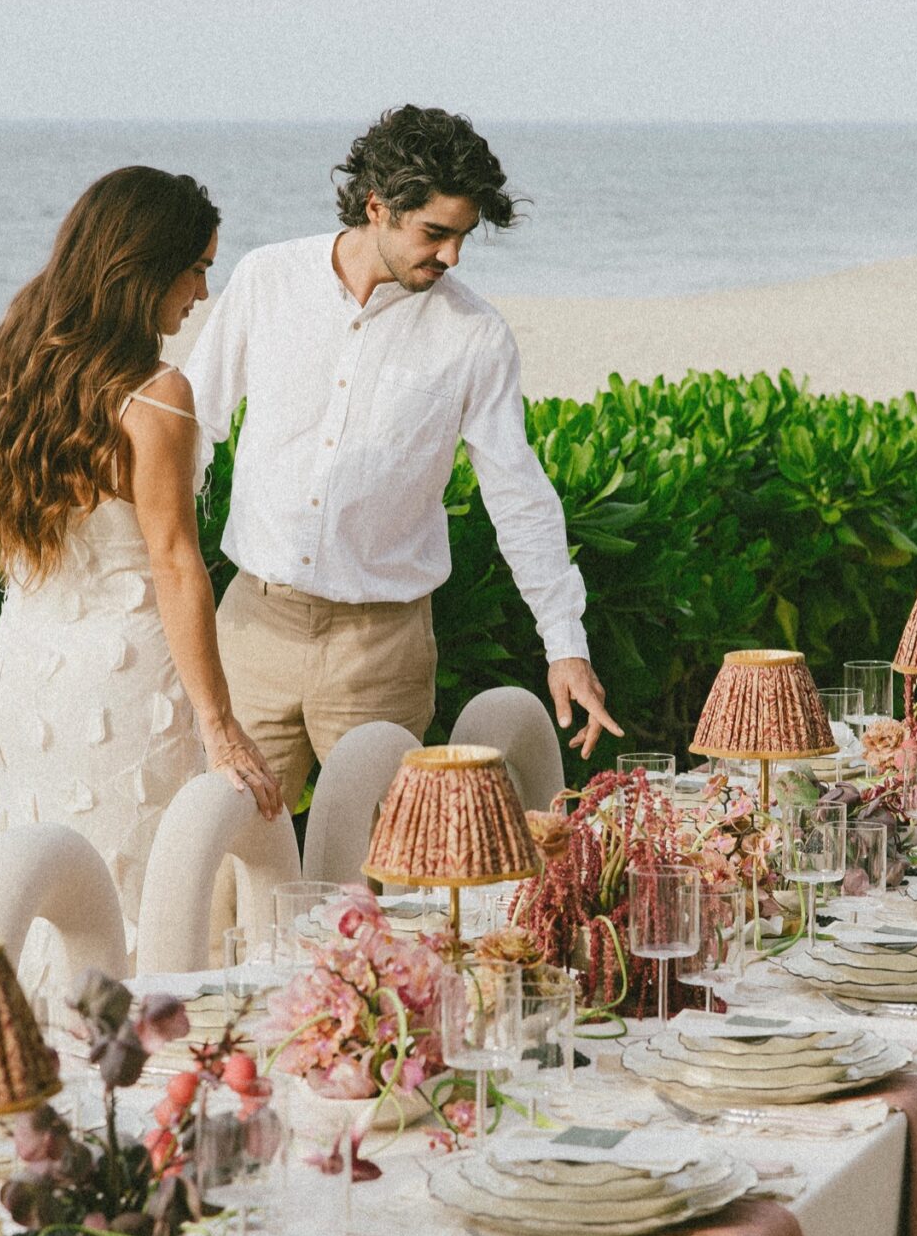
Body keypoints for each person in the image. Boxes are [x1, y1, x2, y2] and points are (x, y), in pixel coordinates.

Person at [184, 104, 621, 804]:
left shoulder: (474, 335)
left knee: (382, 877)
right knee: (231, 862)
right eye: (435, 233)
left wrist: (564, 644)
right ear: (377, 206)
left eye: (463, 237)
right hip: (250, 632)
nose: (450, 256)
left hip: (381, 649)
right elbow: (191, 428)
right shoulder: (268, 280)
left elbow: (518, 494)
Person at [0, 166, 281, 973]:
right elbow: (174, 561)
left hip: (32, 675)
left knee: (46, 893)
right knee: (141, 901)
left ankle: (44, 1068)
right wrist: (219, 723)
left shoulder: (8, 370)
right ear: (143, 269)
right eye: (196, 267)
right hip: (131, 689)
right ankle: (131, 1082)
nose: (203, 290)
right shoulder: (155, 394)